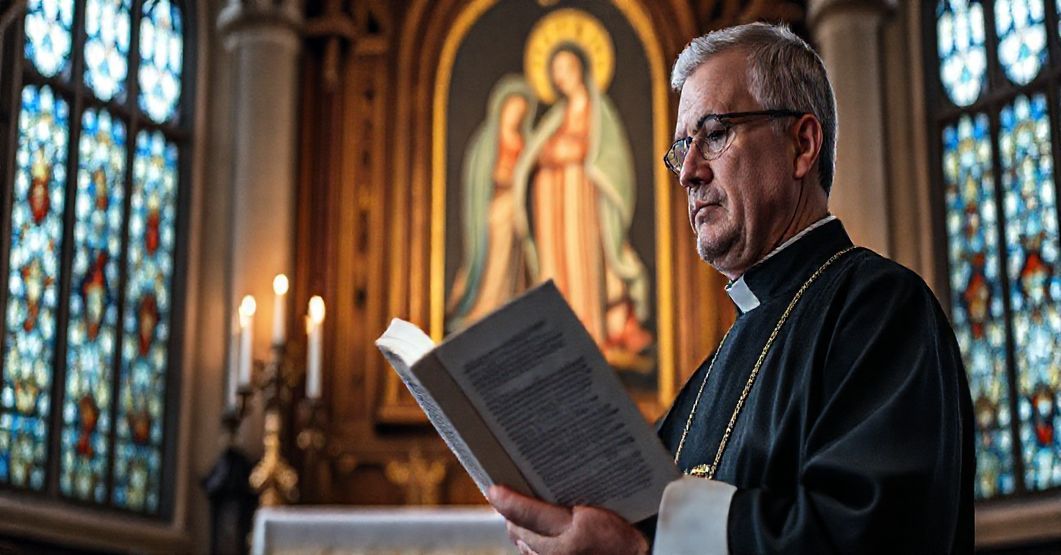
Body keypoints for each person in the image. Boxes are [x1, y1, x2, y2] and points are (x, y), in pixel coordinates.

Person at [488, 22, 974, 554]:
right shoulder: (705, 380)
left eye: (714, 134)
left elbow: (866, 535)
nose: (688, 173)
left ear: (802, 144)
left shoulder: (879, 310)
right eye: (681, 148)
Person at [511, 45, 653, 362]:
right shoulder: (556, 117)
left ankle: (591, 333)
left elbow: (610, 162)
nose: (561, 78)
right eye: (556, 72)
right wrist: (553, 155)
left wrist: (575, 154)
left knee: (584, 262)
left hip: (584, 203)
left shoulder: (599, 112)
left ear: (581, 68)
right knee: (560, 268)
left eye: (566, 68)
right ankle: (560, 338)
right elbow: (535, 157)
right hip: (553, 205)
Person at [447, 76, 537, 330]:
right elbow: (480, 181)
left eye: (521, 112)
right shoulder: (486, 144)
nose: (516, 117)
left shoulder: (526, 143)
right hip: (497, 209)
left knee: (515, 264)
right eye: (512, 110)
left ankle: (509, 303)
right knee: (496, 259)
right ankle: (487, 304)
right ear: (501, 108)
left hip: (518, 210)